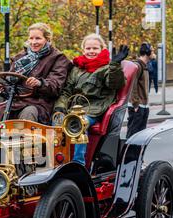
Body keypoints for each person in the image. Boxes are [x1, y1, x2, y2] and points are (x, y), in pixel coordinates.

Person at [54, 33, 128, 165]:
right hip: (73, 108)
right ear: (83, 50)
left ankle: (79, 164)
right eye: (88, 48)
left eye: (95, 48)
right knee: (55, 122)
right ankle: (57, 162)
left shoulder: (106, 68)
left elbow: (115, 83)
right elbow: (66, 91)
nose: (91, 51)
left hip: (93, 109)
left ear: (101, 49)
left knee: (78, 124)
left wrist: (115, 65)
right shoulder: (77, 68)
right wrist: (60, 107)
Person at [0, 23, 71, 124]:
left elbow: (55, 86)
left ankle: (28, 139)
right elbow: (10, 80)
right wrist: (2, 87)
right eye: (31, 38)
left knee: (29, 112)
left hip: (40, 103)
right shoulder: (21, 57)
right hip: (17, 101)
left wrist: (40, 83)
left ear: (47, 39)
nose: (34, 42)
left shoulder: (58, 58)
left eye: (38, 38)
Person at [126, 42, 152, 139]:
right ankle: (128, 154)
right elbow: (133, 86)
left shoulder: (145, 66)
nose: (153, 53)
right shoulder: (137, 66)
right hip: (137, 106)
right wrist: (135, 104)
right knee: (133, 135)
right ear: (147, 52)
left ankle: (136, 154)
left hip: (144, 106)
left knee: (140, 136)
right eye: (152, 51)